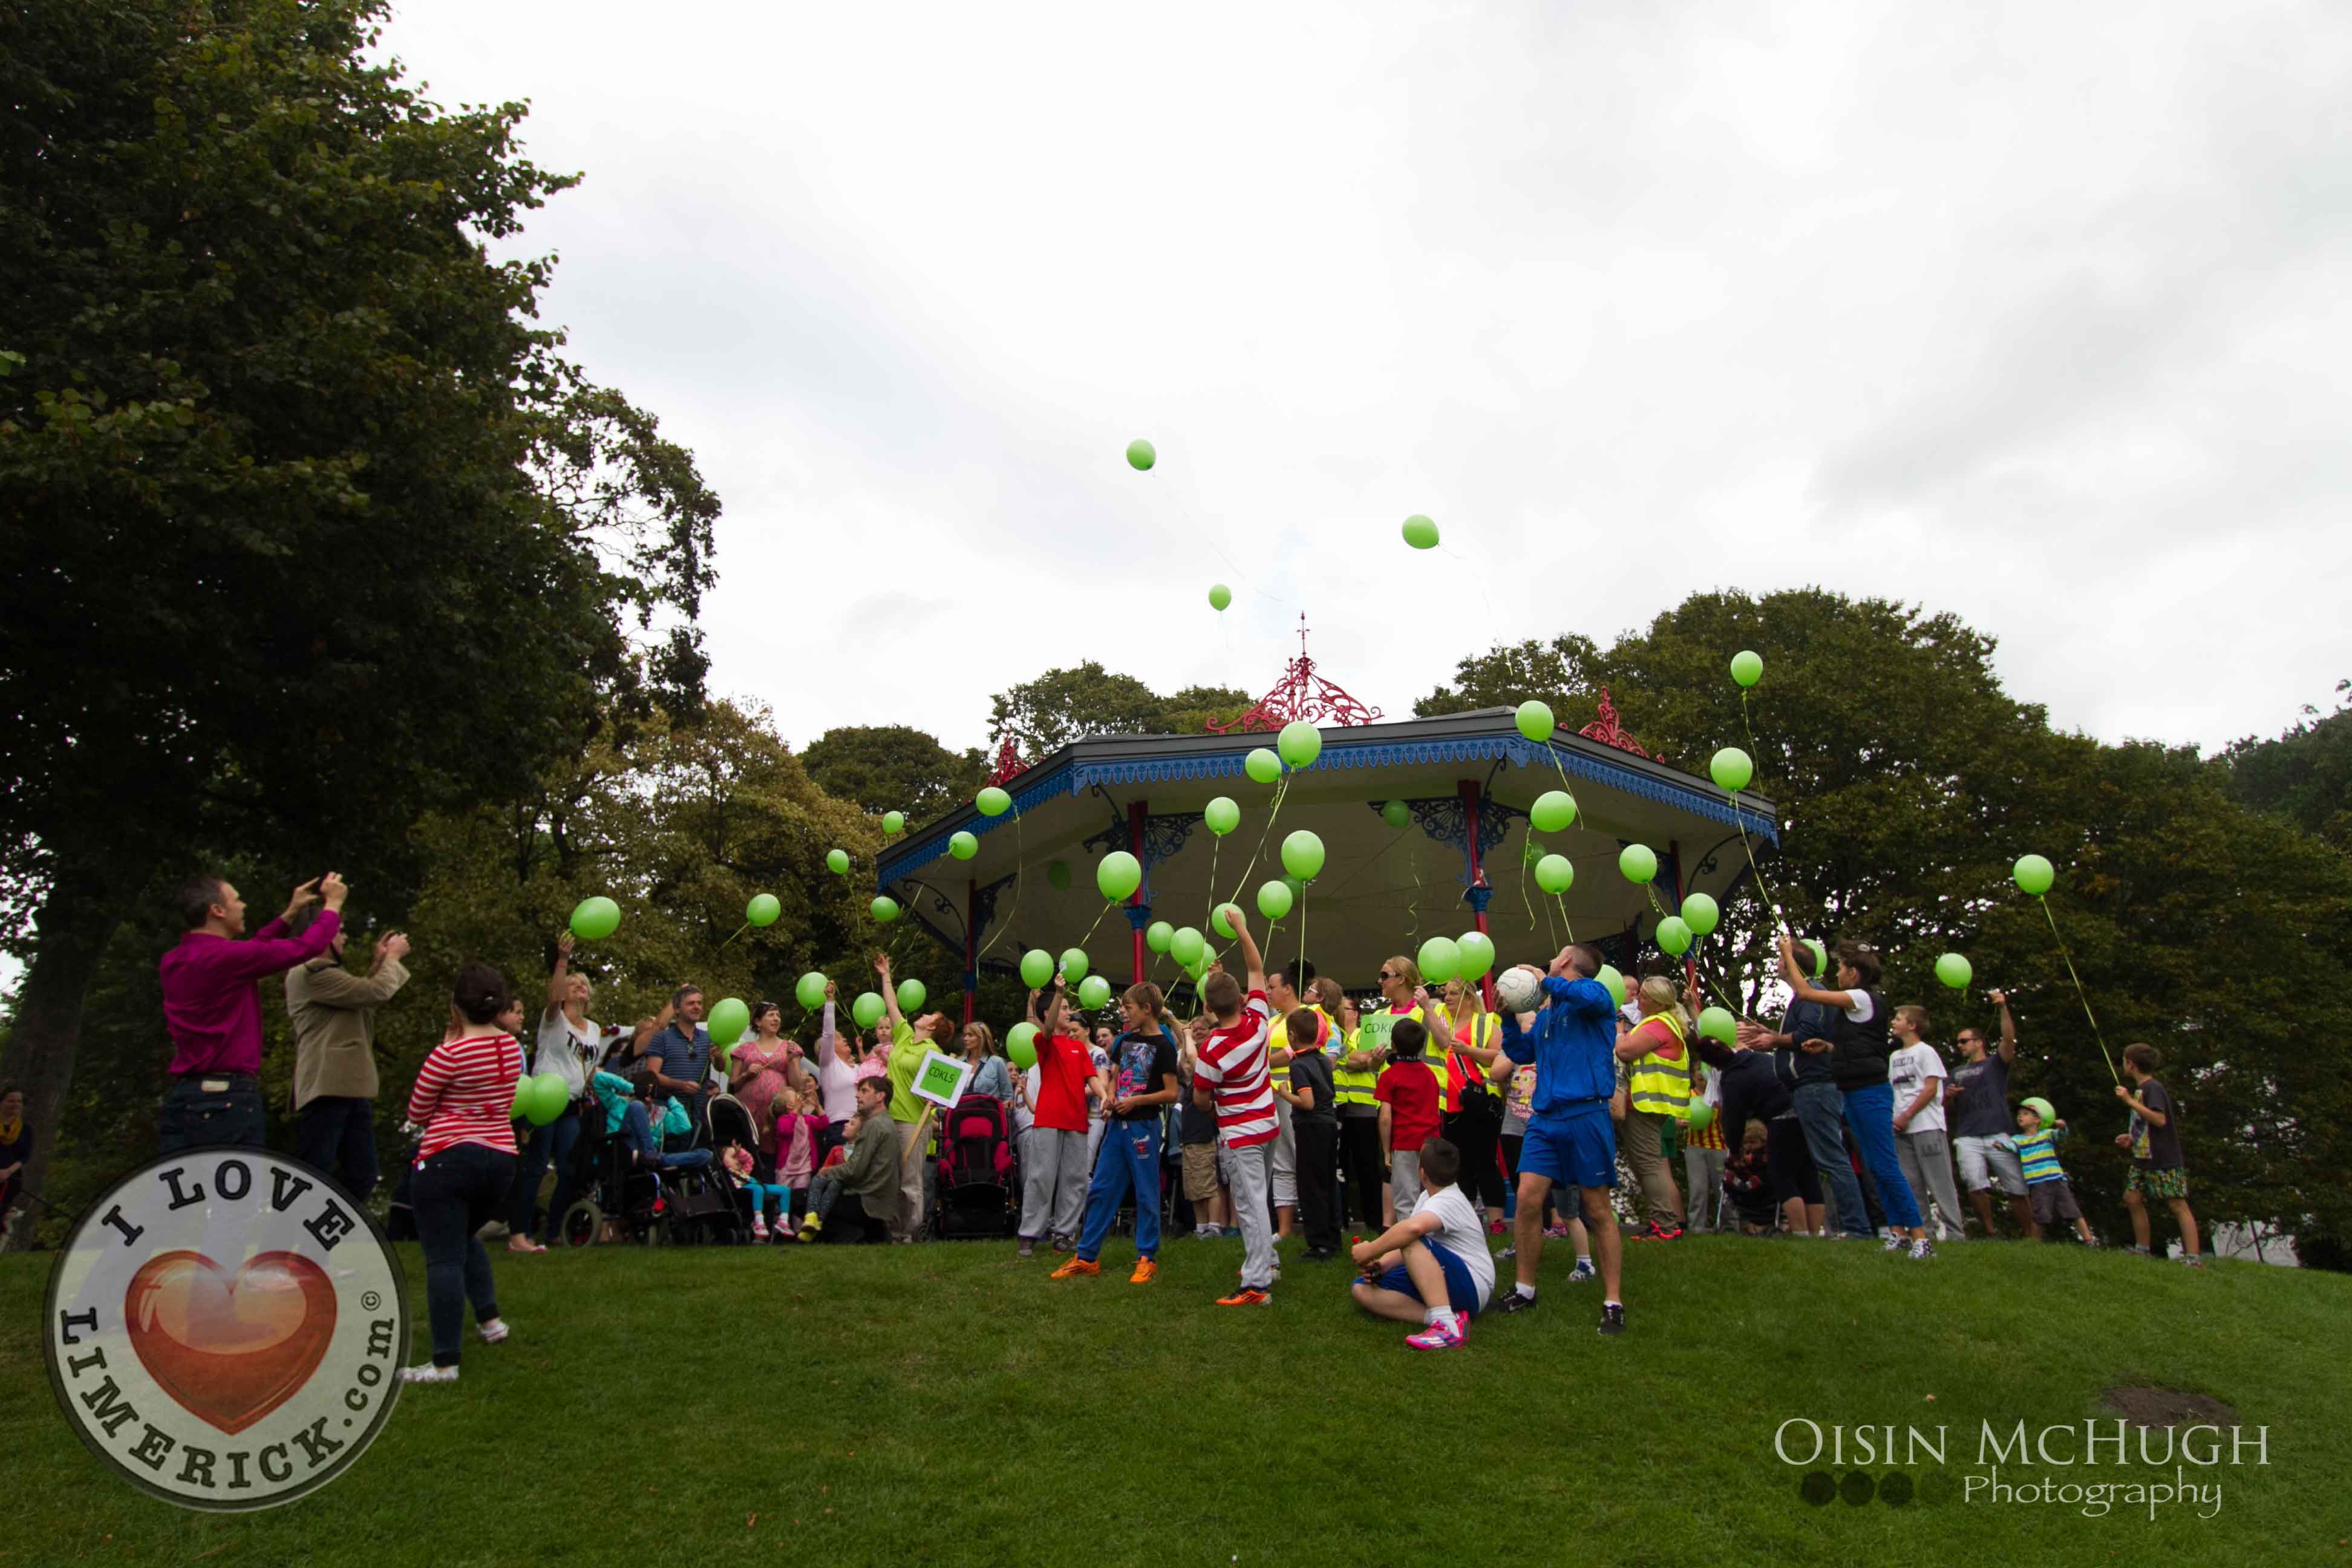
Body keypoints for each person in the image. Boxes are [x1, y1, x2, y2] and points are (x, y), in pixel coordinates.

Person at [158, 871, 350, 1151]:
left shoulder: (173, 961)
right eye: (237, 900)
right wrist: (333, 905)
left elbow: (252, 952)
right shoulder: (228, 959)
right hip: (229, 1099)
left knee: (188, 1190)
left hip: (185, 1096)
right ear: (217, 911)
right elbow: (306, 947)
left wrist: (289, 914)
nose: (243, 905)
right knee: (236, 1193)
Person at [399, 964, 524, 1385]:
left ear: (456, 1007)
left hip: (447, 1161)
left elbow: (417, 1112)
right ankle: (491, 1323)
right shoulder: (511, 1048)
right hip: (501, 1161)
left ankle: (444, 1363)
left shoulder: (448, 1054)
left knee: (444, 1259)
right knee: (464, 1238)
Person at [1494, 944, 1627, 1335]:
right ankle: (1525, 1289)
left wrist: (1542, 979)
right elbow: (1521, 1050)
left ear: (1567, 962)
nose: (1551, 960)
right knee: (1528, 1198)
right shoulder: (1550, 1012)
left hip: (1586, 1114)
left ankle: (1613, 1301)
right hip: (1545, 1118)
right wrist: (1507, 1018)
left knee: (1597, 1208)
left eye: (1556, 958)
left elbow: (1583, 994)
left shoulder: (1597, 997)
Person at [1779, 935, 1933, 1258]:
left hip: (1871, 1093)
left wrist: (1786, 954)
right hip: (1854, 1089)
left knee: (1887, 1166)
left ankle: (1921, 1238)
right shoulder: (1862, 1005)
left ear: (1853, 975)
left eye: (1841, 969)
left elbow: (1806, 991)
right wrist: (1829, 1048)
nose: (1836, 974)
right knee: (1876, 1168)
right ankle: (1898, 1233)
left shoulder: (1861, 998)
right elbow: (1865, 1045)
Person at [1737, 937, 1869, 1240]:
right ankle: (1850, 1226)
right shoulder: (1804, 998)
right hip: (1807, 1086)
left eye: (1782, 960)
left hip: (1817, 1086)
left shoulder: (1813, 995)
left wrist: (1776, 1041)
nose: (1778, 965)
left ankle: (1857, 1228)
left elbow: (1809, 1035)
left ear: (1791, 964)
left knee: (1832, 1159)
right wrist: (1769, 1033)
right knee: (1821, 1161)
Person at [1056, 984, 1183, 1283]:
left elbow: (1171, 1092)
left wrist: (1135, 1102)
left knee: (1146, 1191)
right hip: (1116, 1127)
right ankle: (1087, 1256)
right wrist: (1110, 1099)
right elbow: (1115, 1077)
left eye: (1129, 1008)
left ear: (1147, 1009)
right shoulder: (1125, 1040)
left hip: (1144, 1127)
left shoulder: (1165, 1045)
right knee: (1101, 1189)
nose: (1124, 1013)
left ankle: (1146, 1257)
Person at [284, 921, 410, 1205]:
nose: (343, 937)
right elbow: (374, 993)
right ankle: (290, 1239)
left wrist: (379, 964)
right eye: (339, 931)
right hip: (327, 1087)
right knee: (314, 1176)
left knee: (362, 1175)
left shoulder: (327, 977)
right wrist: (392, 959)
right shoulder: (312, 973)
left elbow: (360, 998)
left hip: (347, 1087)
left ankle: (318, 1233)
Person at [1189, 910, 1279, 1305]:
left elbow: (1200, 1098)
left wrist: (1214, 1106)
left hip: (1241, 1134)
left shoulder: (1211, 1049)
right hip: (1268, 1123)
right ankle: (1268, 1261)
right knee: (1261, 1198)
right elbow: (1257, 967)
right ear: (1242, 999)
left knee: (1250, 1204)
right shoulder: (1260, 1019)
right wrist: (1242, 929)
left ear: (1208, 1006)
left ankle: (1256, 1284)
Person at [495, 929, 599, 1253]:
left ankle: (554, 1231)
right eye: (573, 983)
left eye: (583, 984)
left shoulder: (594, 1028)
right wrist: (563, 961)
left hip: (571, 1105)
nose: (579, 987)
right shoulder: (552, 1020)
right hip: (543, 1102)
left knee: (569, 1170)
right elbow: (554, 997)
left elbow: (590, 1064)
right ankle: (519, 1234)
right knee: (537, 1166)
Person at [1347, 1137, 1495, 1350]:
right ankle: (1446, 1318)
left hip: (1473, 1283)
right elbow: (1413, 1240)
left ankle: (1447, 1327)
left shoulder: (1449, 1200)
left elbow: (1412, 1232)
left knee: (1410, 1239)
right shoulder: (1429, 1196)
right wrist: (1382, 1265)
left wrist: (1370, 1249)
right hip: (1444, 1273)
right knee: (1361, 1290)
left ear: (1423, 1173)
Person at [1944, 990, 2038, 1240]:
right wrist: (1948, 1096)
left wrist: (2003, 1007)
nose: (1960, 1045)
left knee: (2016, 1187)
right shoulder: (1955, 1072)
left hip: (1998, 1132)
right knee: (1975, 1185)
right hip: (1968, 1136)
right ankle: (1991, 1232)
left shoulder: (1996, 1064)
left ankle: (2031, 1236)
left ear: (1979, 1042)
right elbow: (1941, 1104)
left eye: (1965, 1041)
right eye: (1959, 1042)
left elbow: (2009, 1039)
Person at [1016, 979, 1098, 1258]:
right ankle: (1029, 1233)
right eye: (1062, 1007)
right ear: (1047, 1013)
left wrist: (1106, 1097)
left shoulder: (1079, 1048)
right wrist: (1059, 992)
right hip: (1049, 1119)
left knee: (1074, 1179)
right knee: (1041, 1176)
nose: (1068, 1011)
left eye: (1067, 1007)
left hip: (1077, 1120)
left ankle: (1064, 1233)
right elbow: (1049, 1027)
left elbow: (1093, 1078)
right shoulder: (1044, 1041)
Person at [877, 952, 953, 1243]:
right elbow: (892, 1005)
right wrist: (886, 974)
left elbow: (936, 1094)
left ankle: (911, 1233)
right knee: (891, 1179)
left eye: (929, 1016)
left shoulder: (933, 1052)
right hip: (888, 1117)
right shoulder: (906, 1036)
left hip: (912, 1122)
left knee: (911, 1181)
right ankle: (893, 1232)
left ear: (933, 1027)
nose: (923, 1014)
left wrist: (934, 1102)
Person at [1618, 976, 1692, 1241]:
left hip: (1645, 1104)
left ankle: (1665, 1225)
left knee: (1649, 1164)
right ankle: (1662, 1222)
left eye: (1645, 996)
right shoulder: (1665, 1023)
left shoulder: (1658, 1025)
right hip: (1650, 1103)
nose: (1639, 999)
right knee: (1648, 1163)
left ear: (1658, 1003)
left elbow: (1625, 1051)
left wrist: (1618, 1033)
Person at [2116, 1043, 2201, 1267]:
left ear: (2131, 1064)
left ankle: (2193, 1258)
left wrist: (2129, 1102)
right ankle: (2143, 1250)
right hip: (2143, 1156)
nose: (2123, 1064)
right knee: (2132, 1198)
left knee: (2177, 1205)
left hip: (2163, 1157)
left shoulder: (2152, 1088)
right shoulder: (2141, 1090)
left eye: (2124, 1060)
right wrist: (2131, 1137)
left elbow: (2159, 1120)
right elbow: (2146, 1124)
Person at [1887, 1005, 1965, 1241]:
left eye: (1898, 1019)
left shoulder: (1926, 1052)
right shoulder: (1894, 1057)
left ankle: (1955, 1234)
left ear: (1912, 1026)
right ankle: (1924, 1235)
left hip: (1927, 1126)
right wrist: (1895, 1119)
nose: (1893, 1022)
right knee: (1911, 1184)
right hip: (1901, 1130)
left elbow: (1930, 1088)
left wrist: (1907, 1115)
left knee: (1940, 1182)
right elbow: (1895, 1091)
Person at [1440, 978, 1509, 1234]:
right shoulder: (1439, 1022)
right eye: (1445, 993)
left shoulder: (1486, 1021)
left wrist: (1468, 1050)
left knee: (1484, 1161)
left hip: (1479, 1100)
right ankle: (1467, 1221)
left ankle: (1496, 1221)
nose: (1447, 998)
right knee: (1458, 1164)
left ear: (1469, 998)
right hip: (1447, 1104)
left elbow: (1502, 1054)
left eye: (1454, 993)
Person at [797, 1077, 900, 1243]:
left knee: (801, 1198)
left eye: (864, 1091)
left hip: (868, 1202)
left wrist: (827, 1172)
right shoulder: (885, 1122)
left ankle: (847, 1234)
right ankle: (870, 1233)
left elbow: (854, 1170)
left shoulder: (874, 1125)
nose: (857, 1096)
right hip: (879, 1200)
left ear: (880, 1097)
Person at [1262, 962, 1321, 1243]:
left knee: (1303, 1156)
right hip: (1273, 1095)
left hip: (1296, 1095)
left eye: (1272, 987)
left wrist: (1259, 1063)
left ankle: (1314, 1221)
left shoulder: (1307, 1016)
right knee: (1282, 1160)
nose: (1268, 991)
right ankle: (1285, 1229)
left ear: (1288, 988)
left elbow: (1292, 1052)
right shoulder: (1273, 1021)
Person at [1278, 1007, 1341, 1260]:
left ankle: (1319, 1244)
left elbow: (1307, 1102)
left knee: (1310, 1185)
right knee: (1327, 1181)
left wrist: (1285, 1094)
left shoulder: (1299, 1065)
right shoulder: (1323, 1060)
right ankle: (1333, 1237)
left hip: (1311, 1126)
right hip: (1328, 1124)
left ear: (1292, 1036)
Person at [1328, 991, 1387, 1233]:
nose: (1341, 1013)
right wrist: (1360, 1059)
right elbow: (1347, 1061)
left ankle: (1374, 1222)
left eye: (1347, 1009)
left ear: (1357, 1013)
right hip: (1340, 1105)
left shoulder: (1367, 1033)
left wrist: (1352, 1059)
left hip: (1364, 1108)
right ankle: (1341, 1223)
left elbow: (1376, 1061)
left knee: (1368, 1168)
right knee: (1339, 1167)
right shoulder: (1334, 1034)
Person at [1375, 1019, 1443, 1213]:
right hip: (1431, 1142)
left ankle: (1410, 1241)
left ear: (1393, 1044)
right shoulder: (1430, 1074)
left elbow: (1386, 1118)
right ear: (1422, 1046)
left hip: (1404, 1143)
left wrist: (1387, 1151)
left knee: (1406, 1200)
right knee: (1433, 1196)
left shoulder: (1389, 1076)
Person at [728, 1001, 808, 1153]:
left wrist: (791, 1061)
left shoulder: (790, 1047)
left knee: (777, 1156)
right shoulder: (743, 1050)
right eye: (771, 1015)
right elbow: (732, 1086)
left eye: (778, 1015)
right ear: (758, 1022)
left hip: (779, 1114)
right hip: (750, 1112)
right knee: (749, 1154)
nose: (776, 1019)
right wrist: (746, 1075)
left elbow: (798, 1086)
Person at [2014, 1099, 2095, 1244]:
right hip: (2037, 1182)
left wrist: (2063, 1128)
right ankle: (2034, 1243)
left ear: (2037, 1120)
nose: (2020, 1117)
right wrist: (2000, 1146)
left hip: (2057, 1180)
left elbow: (2061, 1136)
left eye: (2025, 1114)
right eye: (2019, 1114)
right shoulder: (2018, 1139)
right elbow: (2011, 1147)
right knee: (2039, 1215)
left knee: (2073, 1211)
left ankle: (2089, 1241)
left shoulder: (2047, 1134)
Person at [641, 985, 713, 1140]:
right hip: (669, 1116)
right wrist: (681, 1085)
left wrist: (719, 1057)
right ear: (677, 1009)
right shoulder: (662, 1038)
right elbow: (651, 1075)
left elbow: (720, 1067)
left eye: (699, 1003)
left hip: (698, 1115)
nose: (697, 1007)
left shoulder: (709, 1038)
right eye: (691, 1003)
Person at [1177, 1028, 1229, 1238]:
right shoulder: (1191, 1084)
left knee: (1208, 1186)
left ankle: (1214, 1226)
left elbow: (1192, 1056)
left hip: (1203, 1140)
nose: (1184, 1064)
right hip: (1190, 1141)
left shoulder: (1203, 1080)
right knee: (1195, 1188)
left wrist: (1188, 1035)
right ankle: (1201, 1227)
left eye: (1187, 1061)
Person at [810, 984, 859, 1155]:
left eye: (843, 1037)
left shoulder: (858, 1068)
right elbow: (828, 1034)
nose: (844, 1039)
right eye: (839, 1038)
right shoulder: (829, 1064)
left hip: (863, 1127)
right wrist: (830, 1001)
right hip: (840, 1128)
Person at [773, 1086, 826, 1232]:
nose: (800, 1097)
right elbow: (785, 1130)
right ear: (790, 1106)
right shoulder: (784, 1120)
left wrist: (818, 1107)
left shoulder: (807, 1119)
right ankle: (779, 1229)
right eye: (796, 1097)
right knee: (782, 1198)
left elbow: (823, 1124)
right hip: (786, 1168)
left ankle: (799, 1230)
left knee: (800, 1200)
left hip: (804, 1167)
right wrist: (795, 1114)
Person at [723, 1137, 791, 1241]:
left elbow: (749, 1159)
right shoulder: (727, 1174)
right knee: (758, 1188)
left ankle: (783, 1221)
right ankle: (759, 1222)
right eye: (733, 1157)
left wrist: (739, 1151)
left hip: (756, 1185)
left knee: (785, 1190)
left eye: (737, 1157)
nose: (737, 1160)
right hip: (743, 1188)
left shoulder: (743, 1170)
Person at [1723, 1120, 1776, 1233]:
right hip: (1744, 1188)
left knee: (1762, 1176)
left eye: (1753, 1143)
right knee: (1730, 1174)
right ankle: (1739, 1184)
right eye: (1746, 1143)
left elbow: (1762, 1162)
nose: (1749, 1146)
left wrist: (1750, 1160)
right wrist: (1736, 1163)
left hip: (1762, 1187)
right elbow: (1729, 1163)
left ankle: (1747, 1185)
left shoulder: (1765, 1153)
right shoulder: (1743, 1153)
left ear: (1762, 1141)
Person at [0, 1085, 30, 1244]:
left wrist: (7, 1172)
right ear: (2, 1103)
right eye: (11, 1101)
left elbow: (25, 1157)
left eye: (19, 1101)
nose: (16, 1104)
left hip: (10, 1180)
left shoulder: (26, 1130)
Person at [962, 1022, 1013, 1103]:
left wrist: (1007, 1105)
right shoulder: (959, 1062)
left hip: (987, 1113)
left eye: (970, 1035)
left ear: (982, 1038)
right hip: (961, 1113)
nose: (965, 1038)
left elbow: (1008, 1097)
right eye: (965, 1035)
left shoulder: (997, 1063)